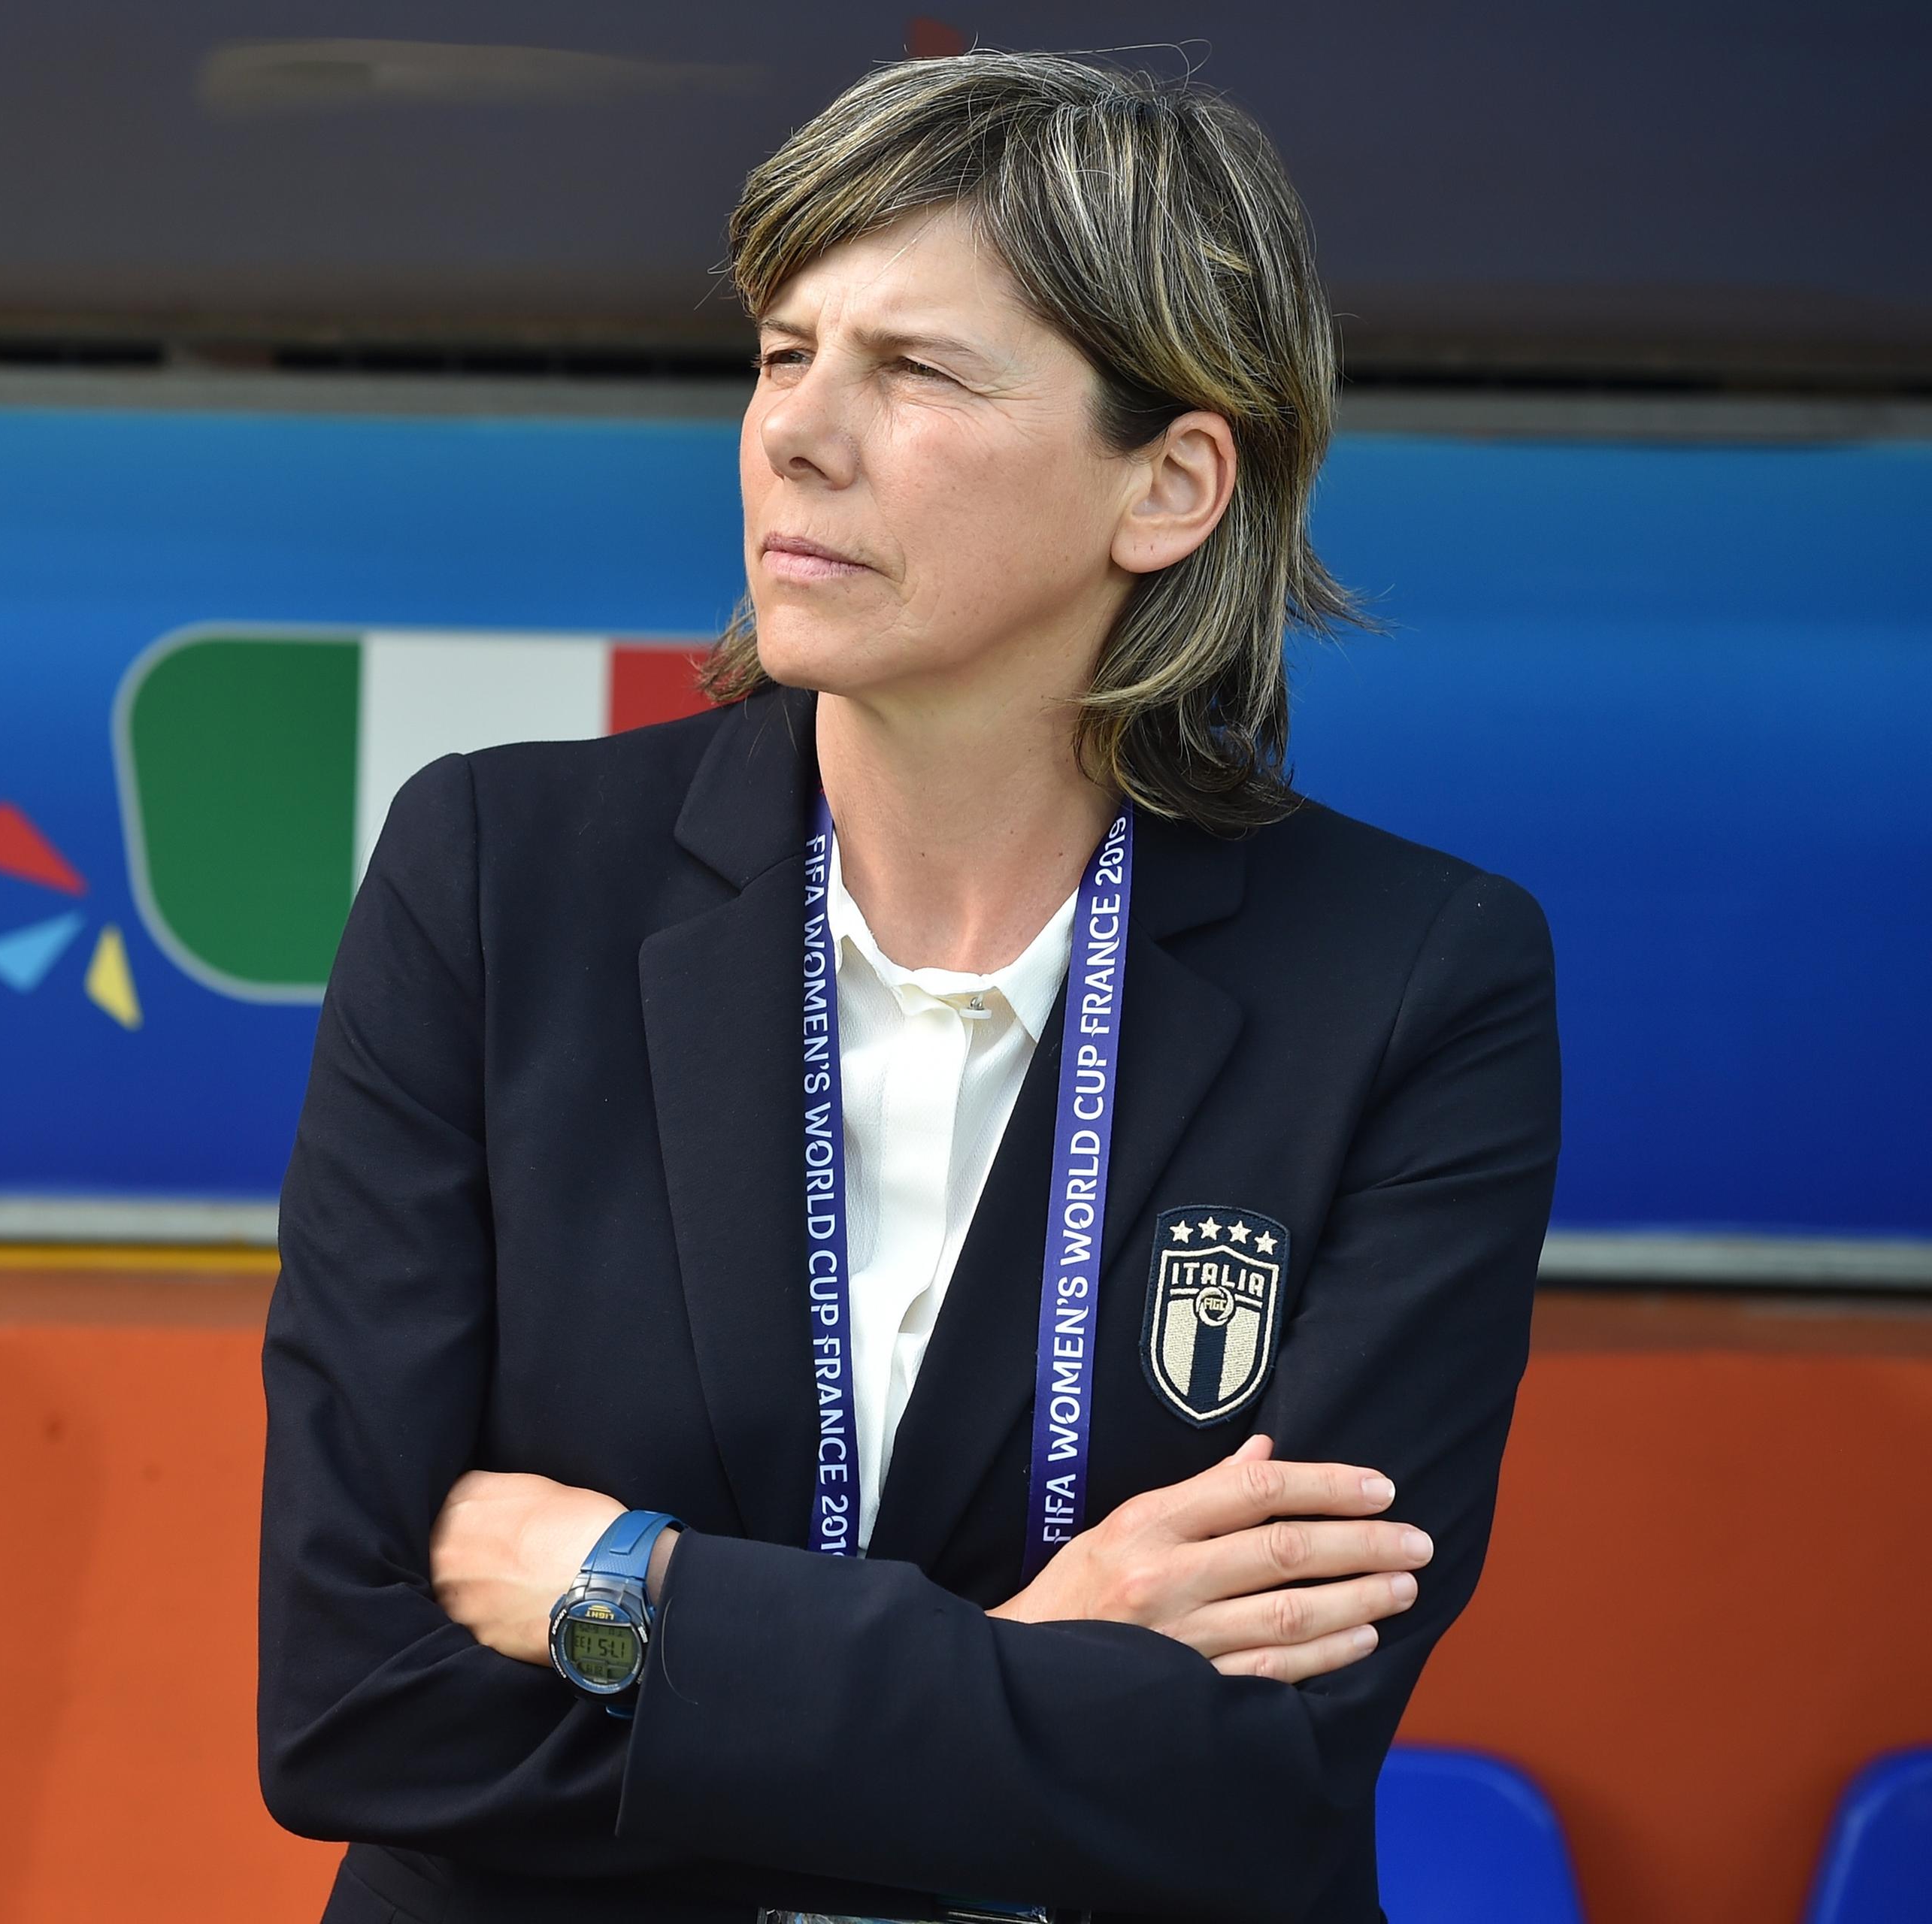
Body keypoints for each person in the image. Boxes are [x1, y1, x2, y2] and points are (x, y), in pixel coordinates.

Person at [257, 49, 1560, 1924]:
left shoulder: (1416, 974)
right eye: (786, 350)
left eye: (918, 370)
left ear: (1173, 481)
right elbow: (354, 1700)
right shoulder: (491, 875)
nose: (795, 428)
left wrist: (624, 1583)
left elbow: (1253, 1767)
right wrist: (1043, 1655)